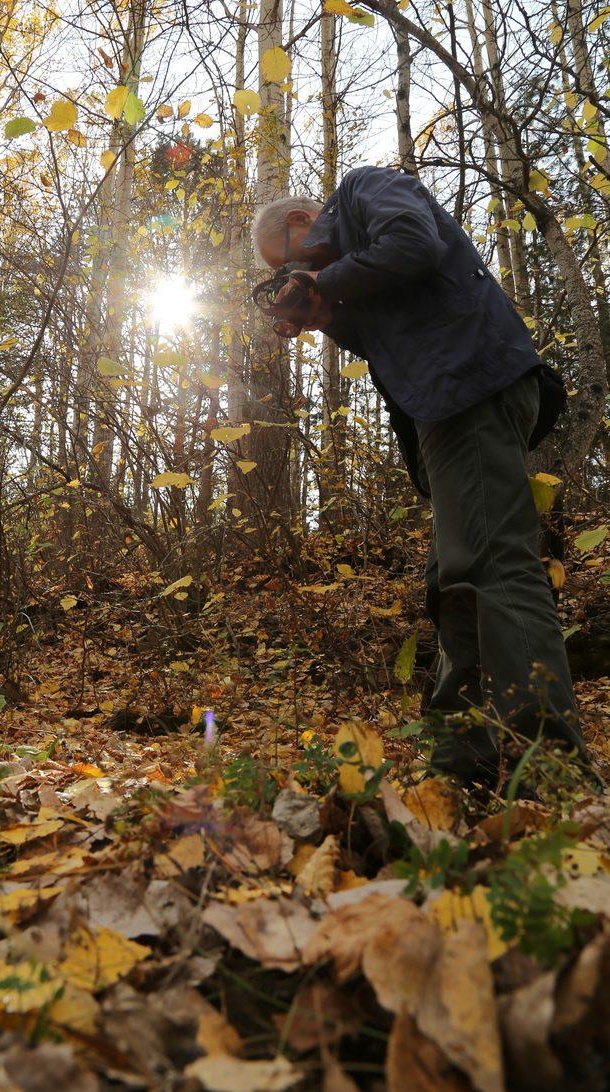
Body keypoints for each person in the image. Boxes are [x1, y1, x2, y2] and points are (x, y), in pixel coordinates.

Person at [253, 165, 588, 788]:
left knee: (492, 563)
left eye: (287, 262)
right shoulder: (355, 276)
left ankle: (547, 765)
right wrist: (322, 312)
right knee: (454, 577)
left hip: (472, 386)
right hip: (449, 406)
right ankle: (465, 764)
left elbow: (414, 242)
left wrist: (322, 277)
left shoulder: (364, 190)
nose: (289, 276)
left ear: (303, 222)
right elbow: (398, 334)